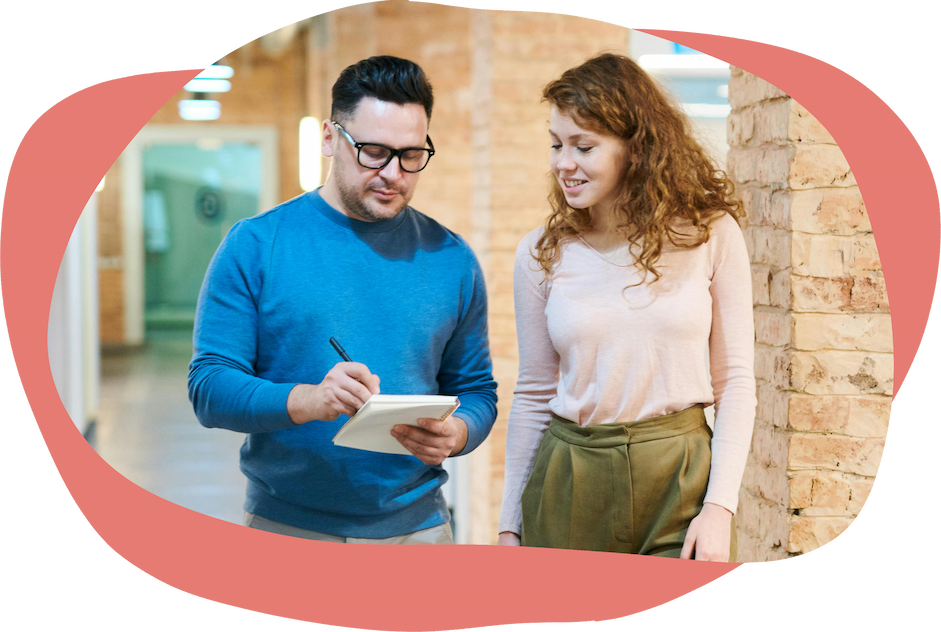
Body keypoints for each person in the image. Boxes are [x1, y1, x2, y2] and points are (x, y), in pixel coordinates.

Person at [188, 56, 497, 544]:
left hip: (420, 531)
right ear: (330, 138)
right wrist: (310, 399)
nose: (393, 173)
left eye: (411, 155)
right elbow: (209, 389)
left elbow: (478, 391)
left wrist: (459, 433)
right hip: (287, 529)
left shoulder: (452, 259)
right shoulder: (256, 244)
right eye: (373, 151)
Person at [497, 53, 756, 561]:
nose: (562, 163)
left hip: (678, 475)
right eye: (556, 144)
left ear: (636, 148)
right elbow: (533, 393)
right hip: (569, 477)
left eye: (583, 146)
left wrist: (720, 508)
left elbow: (736, 382)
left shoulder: (710, 233)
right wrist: (510, 525)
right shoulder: (540, 253)